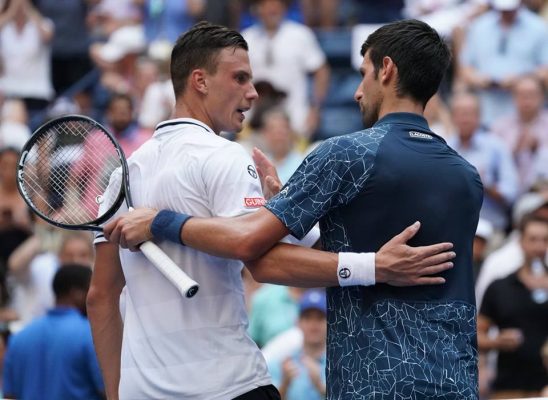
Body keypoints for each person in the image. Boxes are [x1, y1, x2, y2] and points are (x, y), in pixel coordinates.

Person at [105, 20, 481, 398]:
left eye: (363, 73)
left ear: (387, 70)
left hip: (373, 384)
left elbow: (261, 258)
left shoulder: (343, 155)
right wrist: (293, 215)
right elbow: (353, 247)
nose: (356, 92)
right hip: (455, 381)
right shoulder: (467, 177)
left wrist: (160, 222)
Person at [3, 264, 104, 400]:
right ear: (77, 293)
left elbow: (9, 395)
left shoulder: (19, 337)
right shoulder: (90, 334)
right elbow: (109, 390)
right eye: (91, 290)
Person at [477, 214, 548, 399]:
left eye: (545, 240)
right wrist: (497, 341)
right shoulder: (500, 287)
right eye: (533, 239)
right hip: (509, 389)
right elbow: (476, 335)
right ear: (521, 242)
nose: (539, 247)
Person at [448, 91, 518, 233]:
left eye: (469, 113)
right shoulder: (444, 146)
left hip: (491, 227)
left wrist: (483, 183)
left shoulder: (496, 146)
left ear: (479, 117)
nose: (465, 119)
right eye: (460, 113)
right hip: (453, 226)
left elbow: (511, 193)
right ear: (452, 117)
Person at [268, 289, 327, 400]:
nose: (313, 324)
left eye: (320, 318)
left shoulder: (340, 365)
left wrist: (320, 386)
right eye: (308, 317)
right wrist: (285, 384)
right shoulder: (282, 364)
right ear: (298, 322)